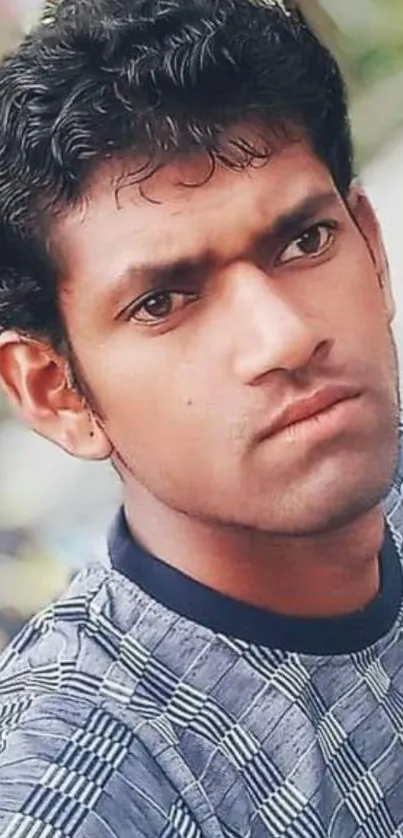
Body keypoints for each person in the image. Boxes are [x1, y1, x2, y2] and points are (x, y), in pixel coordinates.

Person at [0, 0, 402, 834]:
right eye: (162, 301)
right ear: (56, 393)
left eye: (303, 242)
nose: (282, 338)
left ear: (370, 244)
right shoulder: (91, 790)